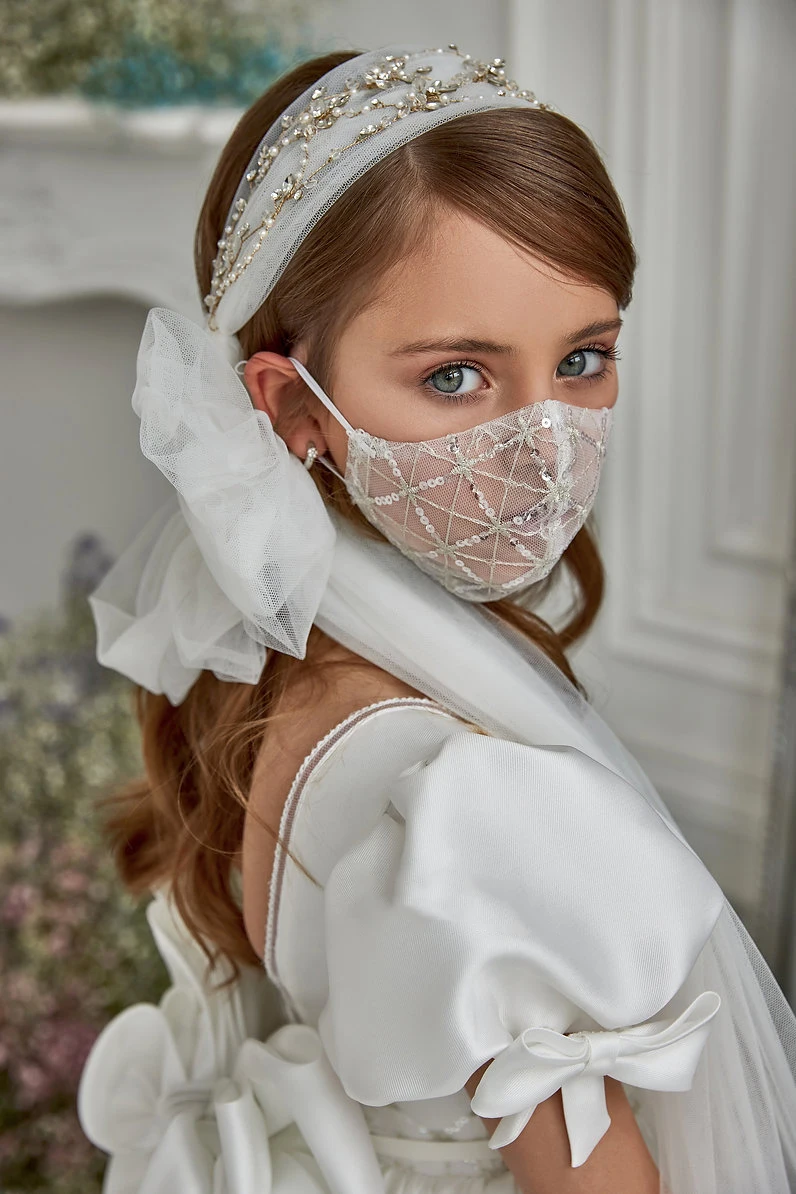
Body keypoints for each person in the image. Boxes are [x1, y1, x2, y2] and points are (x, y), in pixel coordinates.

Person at [76, 43, 796, 1194]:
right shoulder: (458, 806)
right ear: (290, 408)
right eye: (456, 376)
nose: (543, 446)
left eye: (585, 358)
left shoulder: (293, 677)